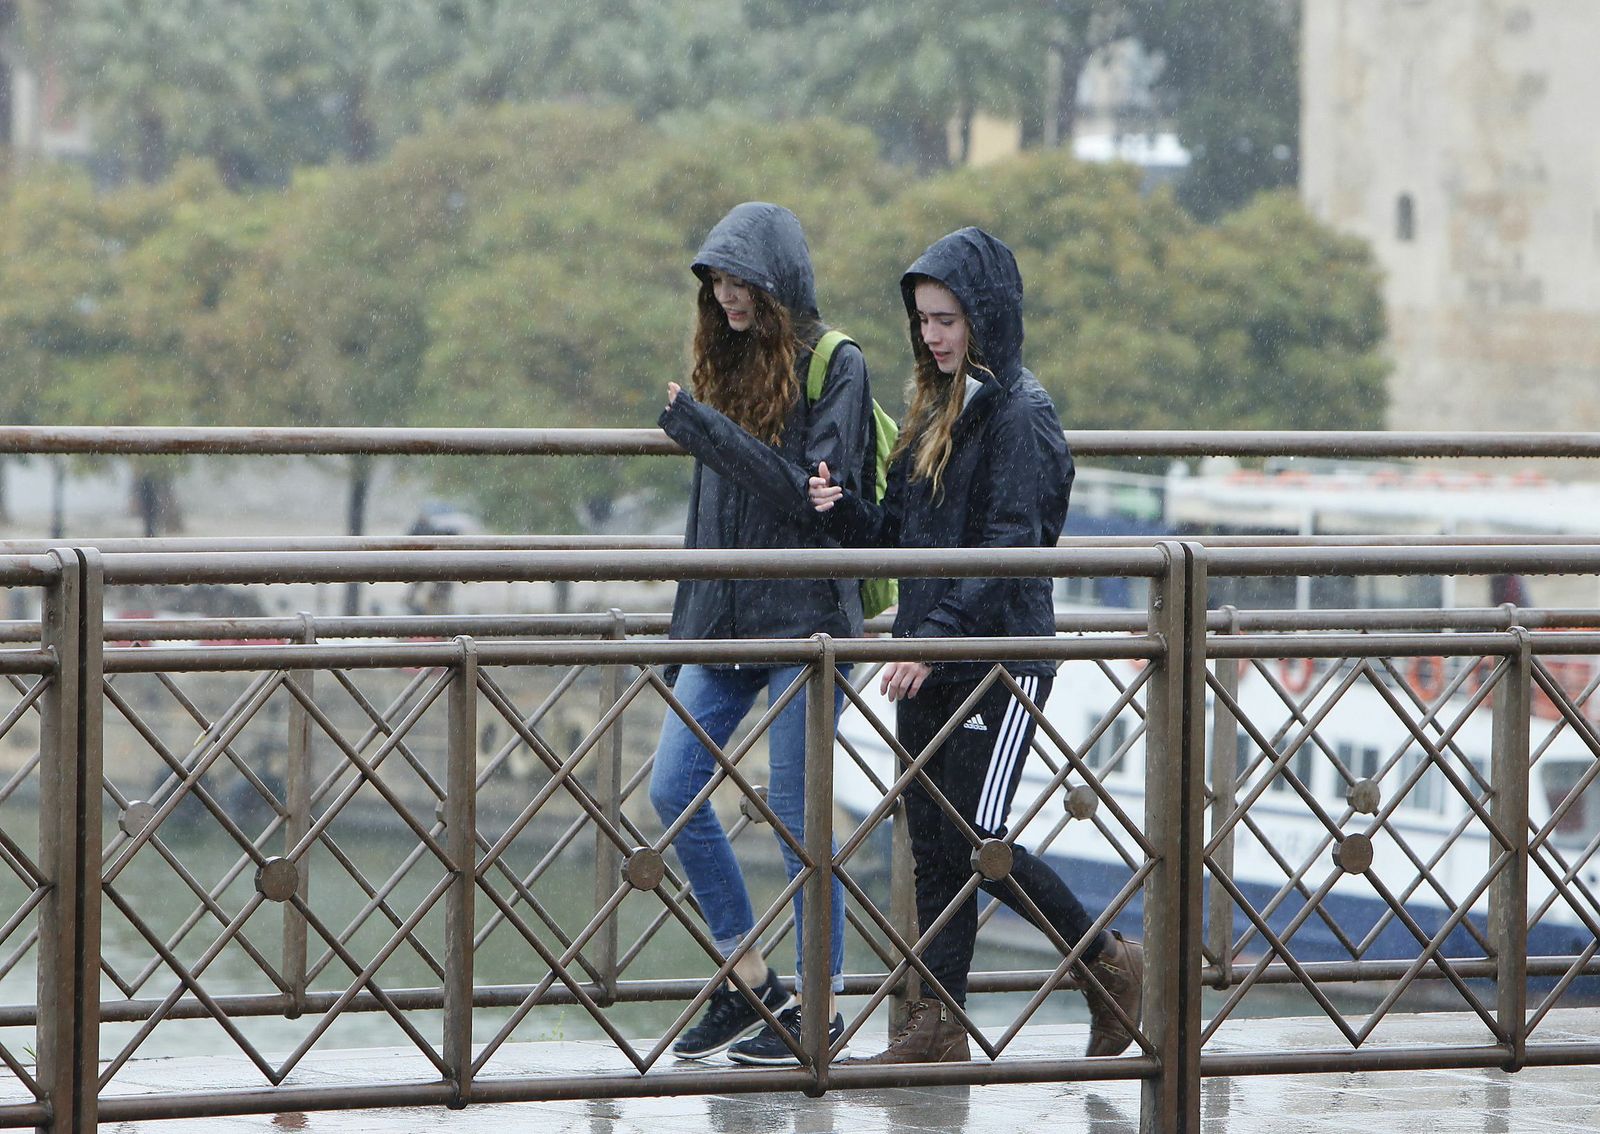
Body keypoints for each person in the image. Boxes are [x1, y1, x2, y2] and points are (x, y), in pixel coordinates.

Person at [808, 228, 1143, 1063]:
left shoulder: (1022, 412)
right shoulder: (930, 405)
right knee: (930, 841)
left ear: (985, 317)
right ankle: (939, 1024)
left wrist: (934, 639)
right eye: (923, 319)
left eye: (948, 319)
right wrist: (842, 509)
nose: (932, 335)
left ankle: (1106, 960)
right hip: (930, 655)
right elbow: (897, 533)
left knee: (980, 841)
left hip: (1001, 659)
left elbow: (1013, 544)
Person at [649, 202, 873, 1065]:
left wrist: (702, 430)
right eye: (715, 281)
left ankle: (820, 1011)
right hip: (723, 617)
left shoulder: (836, 364)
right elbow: (714, 513)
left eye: (740, 281)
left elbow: (806, 494)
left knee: (797, 819)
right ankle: (751, 984)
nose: (726, 295)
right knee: (672, 789)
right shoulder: (725, 357)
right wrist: (686, 628)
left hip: (806, 621)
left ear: (776, 283)